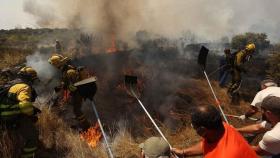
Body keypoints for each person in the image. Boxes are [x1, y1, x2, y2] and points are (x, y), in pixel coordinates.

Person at [171, 105, 257, 158]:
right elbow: (208, 145)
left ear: (202, 130)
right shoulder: (221, 127)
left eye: (193, 126)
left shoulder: (225, 155)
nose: (193, 128)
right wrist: (183, 153)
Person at [48, 54, 95, 131]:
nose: (54, 67)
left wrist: (65, 87)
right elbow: (66, 82)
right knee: (72, 105)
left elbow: (74, 86)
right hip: (76, 92)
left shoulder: (69, 72)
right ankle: (80, 120)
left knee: (77, 110)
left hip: (79, 93)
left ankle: (86, 126)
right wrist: (60, 87)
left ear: (57, 65)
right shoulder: (65, 70)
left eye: (54, 65)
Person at [0, 66, 39, 158]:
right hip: (12, 117)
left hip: (3, 117)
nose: (33, 82)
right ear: (29, 78)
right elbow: (24, 105)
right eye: (33, 79)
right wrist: (32, 112)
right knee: (33, 137)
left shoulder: (11, 84)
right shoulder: (24, 86)